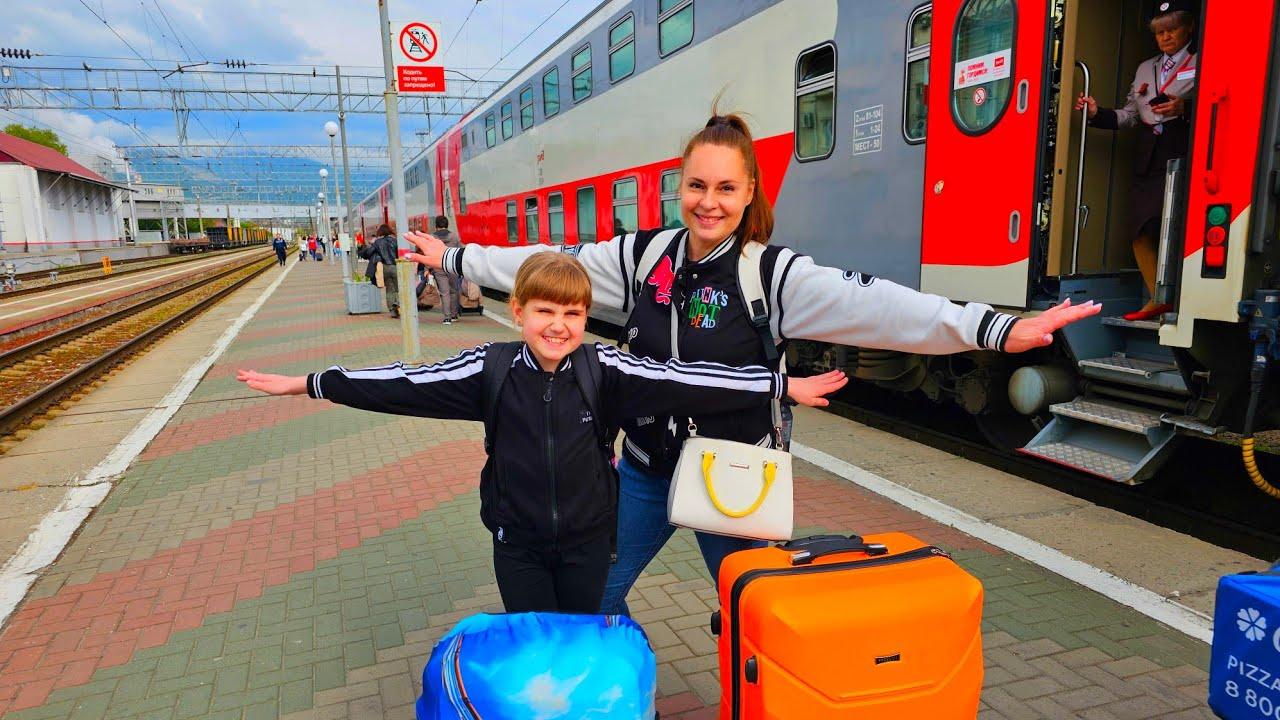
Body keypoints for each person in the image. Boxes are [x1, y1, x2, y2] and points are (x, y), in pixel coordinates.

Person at [404, 109, 1101, 615]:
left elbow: (885, 306)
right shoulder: (641, 256)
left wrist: (995, 329)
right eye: (696, 186)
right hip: (644, 470)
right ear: (679, 187)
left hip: (734, 480)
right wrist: (456, 258)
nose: (708, 203)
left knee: (757, 613)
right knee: (594, 597)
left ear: (749, 194)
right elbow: (547, 266)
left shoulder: (773, 275)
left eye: (725, 189)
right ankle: (612, 691)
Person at [236, 252, 847, 613]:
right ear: (519, 311)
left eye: (572, 313)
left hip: (588, 545)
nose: (558, 325)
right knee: (534, 646)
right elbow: (405, 383)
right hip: (518, 546)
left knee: (580, 643)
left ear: (585, 317)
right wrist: (311, 383)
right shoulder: (491, 369)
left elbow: (687, 379)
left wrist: (778, 385)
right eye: (545, 311)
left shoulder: (605, 370)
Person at [1075, 0, 1197, 321]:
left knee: (1182, 224)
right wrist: (1097, 113)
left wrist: (1185, 109)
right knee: (1140, 226)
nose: (1165, 37)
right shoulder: (1146, 67)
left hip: (1185, 147)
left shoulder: (1204, 60)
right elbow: (1130, 114)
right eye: (1159, 32)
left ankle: (1186, 296)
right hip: (1149, 153)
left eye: (1172, 29)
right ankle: (1158, 297)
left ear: (1189, 28)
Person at [427, 215, 463, 324]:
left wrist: (427, 268)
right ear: (447, 224)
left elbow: (428, 253)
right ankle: (454, 315)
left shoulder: (432, 238)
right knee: (453, 291)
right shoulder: (454, 236)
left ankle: (447, 318)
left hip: (438, 267)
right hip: (452, 267)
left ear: (436, 225)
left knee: (444, 293)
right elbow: (459, 251)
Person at [361, 224, 401, 318]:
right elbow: (399, 253)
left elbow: (369, 252)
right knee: (399, 288)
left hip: (384, 267)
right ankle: (397, 303)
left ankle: (392, 310)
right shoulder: (395, 241)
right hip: (395, 266)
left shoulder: (378, 242)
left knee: (389, 289)